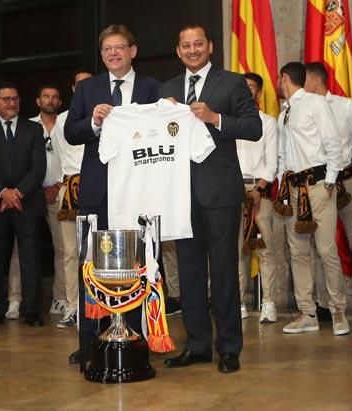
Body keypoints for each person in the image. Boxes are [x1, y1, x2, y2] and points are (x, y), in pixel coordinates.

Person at [160, 25, 262, 374]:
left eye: (198, 44)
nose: (192, 50)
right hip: (179, 194)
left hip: (219, 192)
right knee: (188, 274)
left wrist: (215, 118)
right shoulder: (168, 89)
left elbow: (253, 127)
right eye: (185, 45)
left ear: (210, 47)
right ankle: (198, 345)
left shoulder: (231, 82)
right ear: (178, 51)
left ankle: (229, 347)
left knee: (222, 272)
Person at [63, 24, 159, 366]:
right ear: (102, 54)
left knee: (134, 264)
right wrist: (93, 122)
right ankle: (89, 340)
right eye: (107, 49)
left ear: (133, 51)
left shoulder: (152, 87)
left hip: (137, 190)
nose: (113, 54)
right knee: (92, 264)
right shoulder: (88, 88)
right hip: (97, 190)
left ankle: (133, 336)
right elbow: (71, 132)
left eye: (119, 48)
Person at [303, 62, 352, 328]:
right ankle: (325, 303)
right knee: (321, 244)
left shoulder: (346, 107)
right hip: (316, 185)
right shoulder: (298, 109)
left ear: (314, 81)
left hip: (347, 183)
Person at [274, 62, 348, 337]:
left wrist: (330, 181)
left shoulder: (316, 103)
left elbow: (333, 143)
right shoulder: (284, 113)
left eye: (279, 80)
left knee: (327, 250)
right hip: (293, 189)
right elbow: (283, 153)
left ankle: (338, 309)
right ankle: (307, 313)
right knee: (297, 252)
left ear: (284, 78)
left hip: (317, 185)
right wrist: (282, 183)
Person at [0, 83, 46, 329]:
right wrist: (3, 193)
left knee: (30, 259)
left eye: (15, 99)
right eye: (5, 99)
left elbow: (39, 167)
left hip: (27, 202)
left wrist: (17, 192)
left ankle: (31, 310)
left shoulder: (34, 129)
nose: (11, 103)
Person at [49, 70, 91, 328]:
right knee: (69, 252)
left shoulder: (105, 114)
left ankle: (98, 305)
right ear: (74, 88)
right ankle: (72, 306)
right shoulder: (62, 120)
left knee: (97, 251)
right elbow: (57, 160)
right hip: (70, 188)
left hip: (98, 187)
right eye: (80, 84)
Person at [236, 72, 278, 323]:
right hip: (232, 192)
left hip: (259, 192)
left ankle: (269, 302)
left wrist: (260, 189)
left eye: (250, 87)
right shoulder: (229, 122)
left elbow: (272, 162)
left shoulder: (267, 122)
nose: (245, 90)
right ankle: (238, 301)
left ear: (259, 92)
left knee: (266, 250)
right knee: (235, 251)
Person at [30, 84, 69, 320]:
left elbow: (73, 158)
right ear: (38, 101)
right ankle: (17, 299)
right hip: (32, 194)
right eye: (46, 96)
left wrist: (57, 185)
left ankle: (60, 298)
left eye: (55, 97)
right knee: (21, 250)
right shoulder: (28, 126)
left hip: (60, 193)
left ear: (60, 102)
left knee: (64, 249)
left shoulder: (67, 124)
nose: (50, 100)